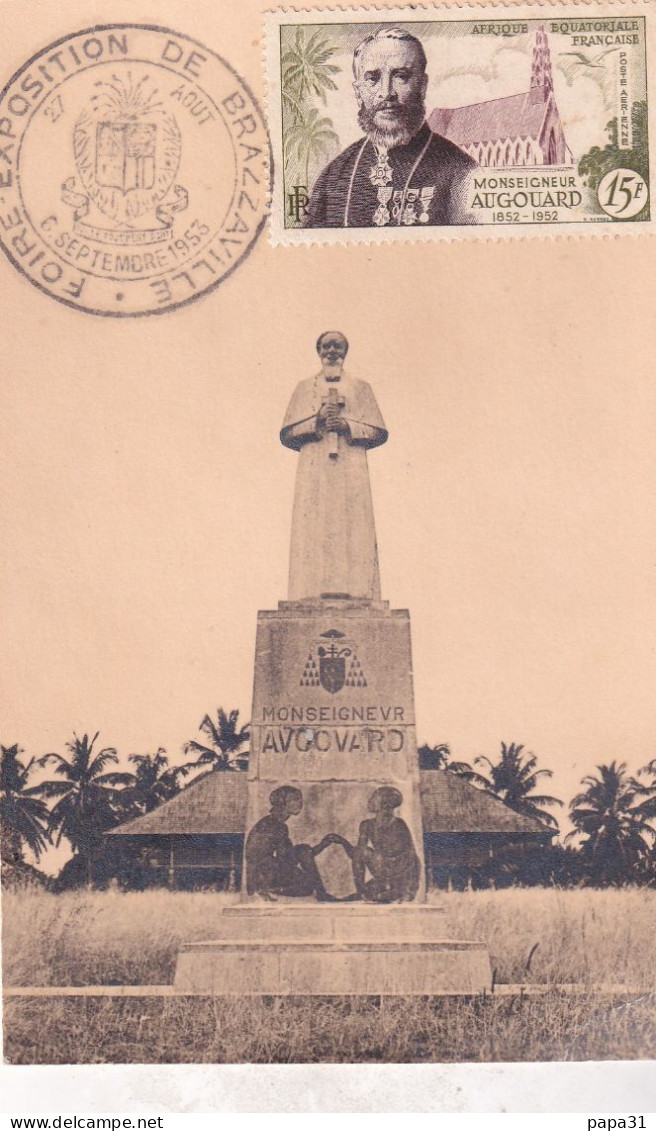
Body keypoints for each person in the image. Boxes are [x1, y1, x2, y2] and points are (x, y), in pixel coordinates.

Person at [303, 27, 476, 228]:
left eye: (400, 76)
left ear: (422, 86)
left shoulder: (460, 171)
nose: (386, 93)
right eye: (372, 79)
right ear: (358, 92)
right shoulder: (333, 177)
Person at [281, 331, 387, 602]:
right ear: (318, 351)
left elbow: (378, 431)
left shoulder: (361, 388)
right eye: (326, 346)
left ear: (345, 351)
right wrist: (316, 422)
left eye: (337, 346)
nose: (332, 351)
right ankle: (307, 591)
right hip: (314, 468)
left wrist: (347, 425)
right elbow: (288, 433)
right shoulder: (304, 388)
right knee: (312, 528)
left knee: (355, 527)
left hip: (351, 468)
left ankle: (359, 590)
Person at [245, 785, 339, 901]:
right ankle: (321, 894)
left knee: (303, 851)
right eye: (295, 799)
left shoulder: (272, 821)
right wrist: (321, 846)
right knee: (307, 882)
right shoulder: (277, 826)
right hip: (265, 876)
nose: (300, 803)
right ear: (282, 803)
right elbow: (286, 858)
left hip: (265, 872)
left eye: (300, 799)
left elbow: (289, 856)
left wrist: (321, 845)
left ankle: (321, 894)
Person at [341, 786, 420, 902]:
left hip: (400, 871)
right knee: (360, 852)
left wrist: (410, 888)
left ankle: (385, 891)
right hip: (383, 868)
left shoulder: (399, 824)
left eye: (374, 798)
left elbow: (410, 856)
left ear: (385, 804)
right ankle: (362, 892)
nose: (369, 801)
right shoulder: (366, 825)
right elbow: (357, 854)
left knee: (382, 895)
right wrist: (342, 842)